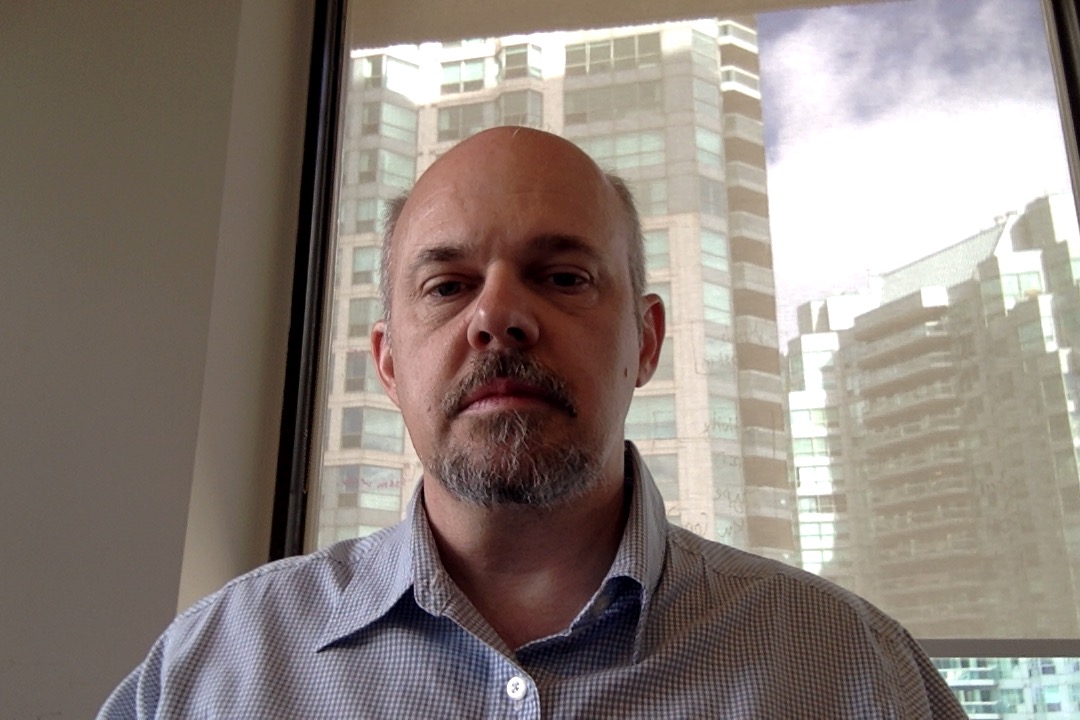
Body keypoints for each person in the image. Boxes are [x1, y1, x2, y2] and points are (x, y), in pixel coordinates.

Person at [98, 127, 966, 718]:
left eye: (562, 277)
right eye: (446, 285)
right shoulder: (214, 668)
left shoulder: (855, 672)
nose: (499, 316)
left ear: (646, 341)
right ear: (389, 364)